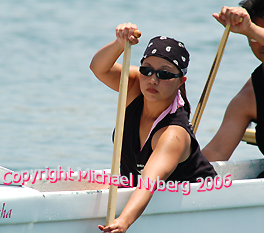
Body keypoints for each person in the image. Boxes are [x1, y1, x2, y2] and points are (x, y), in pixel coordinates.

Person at [90, 23, 216, 233]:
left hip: (202, 202)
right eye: (146, 70)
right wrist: (120, 44)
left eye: (164, 74)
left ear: (180, 81)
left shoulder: (173, 135)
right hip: (142, 194)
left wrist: (124, 221)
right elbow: (98, 68)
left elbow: (148, 183)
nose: (153, 80)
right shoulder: (134, 85)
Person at [202, 0, 264, 178]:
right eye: (254, 37)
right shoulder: (248, 98)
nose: (263, 43)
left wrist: (251, 29)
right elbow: (216, 152)